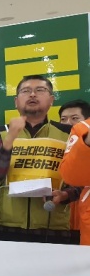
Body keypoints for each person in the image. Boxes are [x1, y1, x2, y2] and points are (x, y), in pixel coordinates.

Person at [0, 75, 77, 243]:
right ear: (16, 101)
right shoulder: (0, 133)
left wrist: (64, 195)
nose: (32, 94)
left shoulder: (68, 133)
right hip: (8, 226)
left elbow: (80, 178)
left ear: (51, 100)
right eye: (26, 91)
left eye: (40, 90)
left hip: (54, 226)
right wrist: (10, 139)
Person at [58, 101, 90, 244]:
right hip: (62, 220)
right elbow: (71, 175)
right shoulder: (55, 142)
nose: (68, 123)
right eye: (63, 119)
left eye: (74, 118)